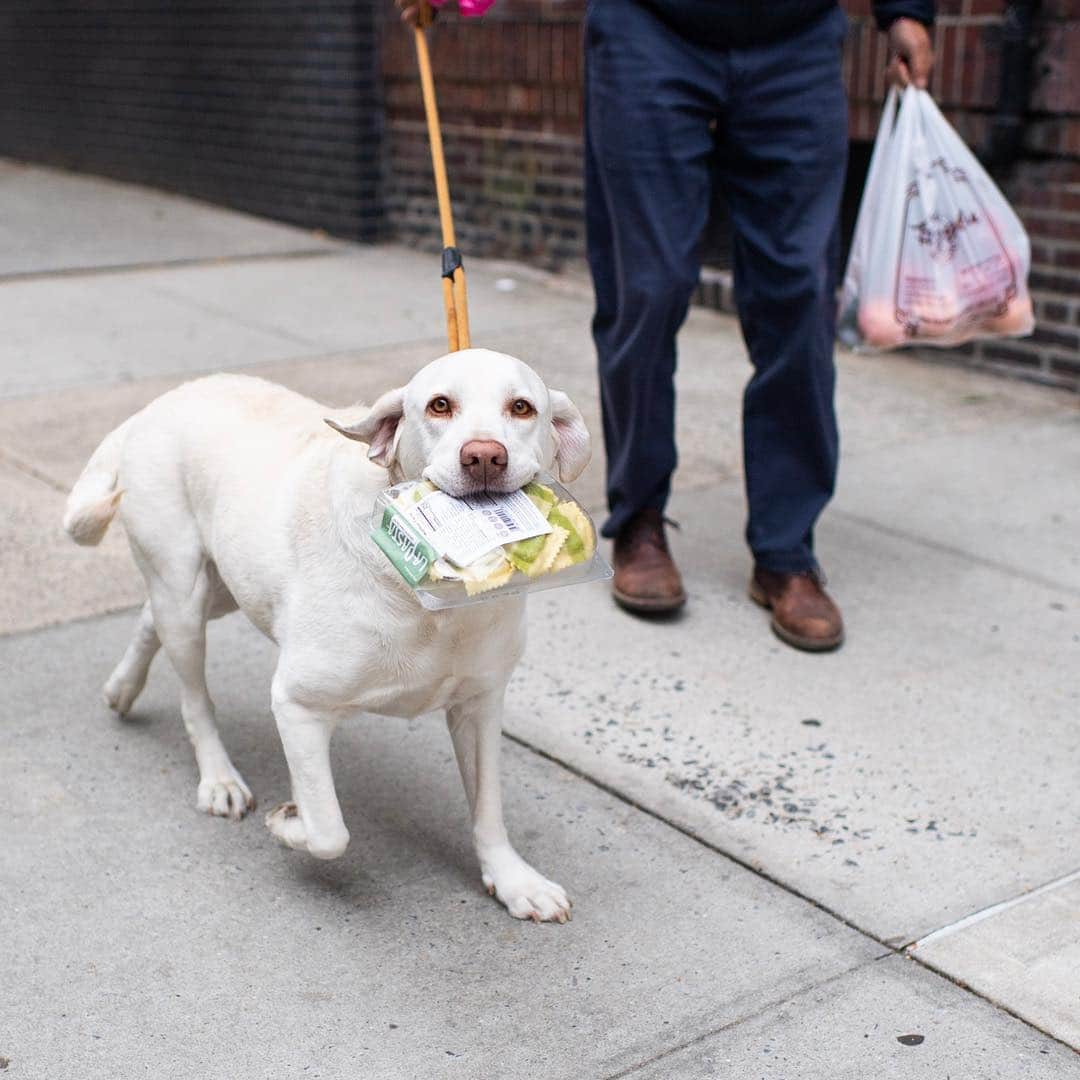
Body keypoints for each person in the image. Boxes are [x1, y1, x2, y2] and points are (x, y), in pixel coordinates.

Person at [396, 0, 934, 652]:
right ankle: (641, 518)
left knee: (801, 296)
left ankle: (787, 551)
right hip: (648, 28)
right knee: (645, 289)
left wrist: (907, 10)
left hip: (797, 34)